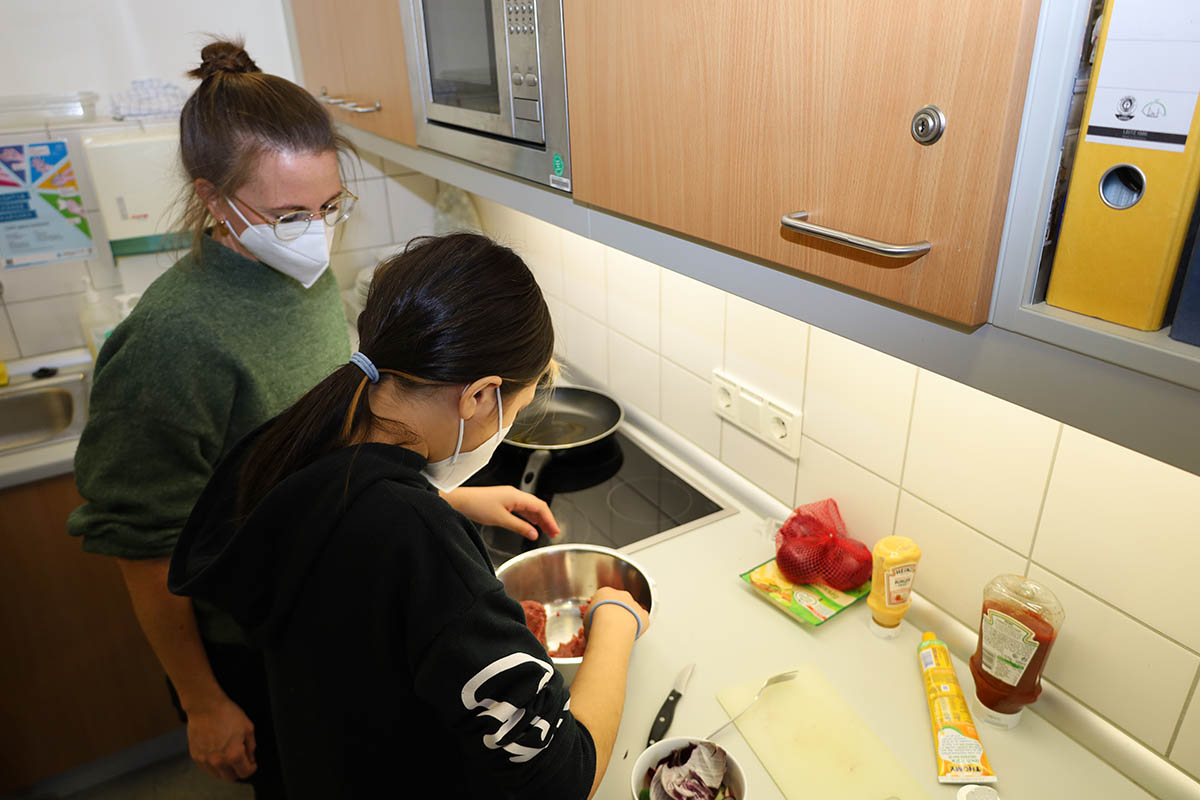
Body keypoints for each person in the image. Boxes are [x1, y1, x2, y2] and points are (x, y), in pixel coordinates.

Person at [67, 41, 558, 798]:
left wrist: (446, 497)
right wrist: (204, 701)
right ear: (212, 197)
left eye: (329, 207)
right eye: (289, 213)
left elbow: (320, 456)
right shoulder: (171, 341)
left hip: (329, 609)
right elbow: (143, 547)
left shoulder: (302, 281)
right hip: (255, 641)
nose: (316, 231)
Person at [167, 233, 649, 799]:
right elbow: (559, 779)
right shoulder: (418, 540)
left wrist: (446, 499)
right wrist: (615, 622)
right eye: (513, 412)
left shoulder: (304, 440)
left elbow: (344, 531)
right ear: (478, 396)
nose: (505, 429)